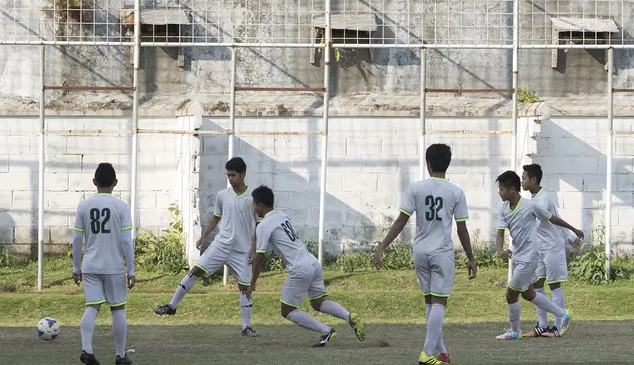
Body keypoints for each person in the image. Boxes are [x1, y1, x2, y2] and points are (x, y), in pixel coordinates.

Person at [372, 143, 477, 365]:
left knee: (430, 303)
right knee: (439, 303)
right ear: (447, 164)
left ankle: (442, 351)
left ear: (428, 163)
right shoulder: (456, 192)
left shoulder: (415, 188)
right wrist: (471, 256)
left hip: (420, 251)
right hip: (442, 252)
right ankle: (426, 354)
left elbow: (401, 220)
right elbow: (462, 229)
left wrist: (383, 246)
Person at [246, 186, 365, 347]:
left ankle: (327, 331)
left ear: (260, 205)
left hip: (300, 268)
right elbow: (286, 240)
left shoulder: (264, 225)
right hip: (312, 262)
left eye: (254, 205)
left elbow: (259, 257)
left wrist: (252, 283)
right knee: (318, 303)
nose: (254, 209)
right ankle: (349, 316)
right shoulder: (281, 215)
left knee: (286, 310)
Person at [155, 157, 259, 337]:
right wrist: (204, 236)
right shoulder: (222, 195)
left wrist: (254, 249)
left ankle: (246, 327)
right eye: (228, 175)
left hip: (242, 250)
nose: (230, 178)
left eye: (233, 175)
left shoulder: (253, 198)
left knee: (245, 287)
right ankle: (171, 306)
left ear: (243, 174)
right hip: (220, 245)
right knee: (195, 270)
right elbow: (216, 218)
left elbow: (259, 226)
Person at [493, 170, 583, 341]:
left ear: (512, 189)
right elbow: (500, 233)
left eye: (502, 189)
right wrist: (500, 250)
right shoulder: (503, 208)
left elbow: (553, 219)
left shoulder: (530, 205)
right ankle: (563, 314)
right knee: (528, 294)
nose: (499, 192)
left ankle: (515, 331)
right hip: (517, 256)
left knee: (511, 294)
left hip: (530, 256)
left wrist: (573, 230)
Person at [73, 163, 136, 365]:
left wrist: (76, 267)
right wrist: (131, 270)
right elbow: (127, 241)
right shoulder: (122, 207)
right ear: (115, 182)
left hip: (90, 265)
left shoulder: (84, 205)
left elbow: (76, 239)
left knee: (92, 307)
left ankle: (87, 350)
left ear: (94, 182)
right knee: (117, 309)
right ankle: (120, 355)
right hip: (114, 265)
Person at [521, 163, 573, 338]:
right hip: (539, 248)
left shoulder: (543, 199)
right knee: (537, 285)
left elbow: (554, 219)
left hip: (552, 247)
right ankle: (543, 326)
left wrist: (570, 236)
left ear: (534, 180)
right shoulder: (533, 200)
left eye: (524, 178)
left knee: (554, 285)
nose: (522, 181)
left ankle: (558, 326)